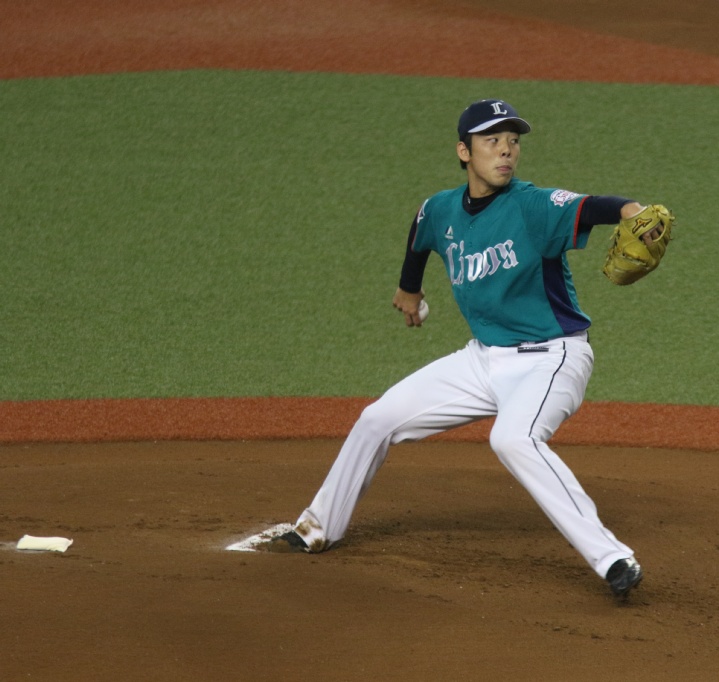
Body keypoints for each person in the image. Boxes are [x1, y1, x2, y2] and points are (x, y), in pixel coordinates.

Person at [269, 99, 668, 598]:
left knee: (513, 439)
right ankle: (316, 528)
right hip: (482, 359)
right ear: (464, 151)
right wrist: (409, 289)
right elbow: (421, 229)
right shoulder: (442, 209)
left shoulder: (531, 205)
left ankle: (612, 559)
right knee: (377, 418)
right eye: (492, 140)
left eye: (513, 141)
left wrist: (632, 210)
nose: (506, 150)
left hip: (553, 358)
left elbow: (592, 206)